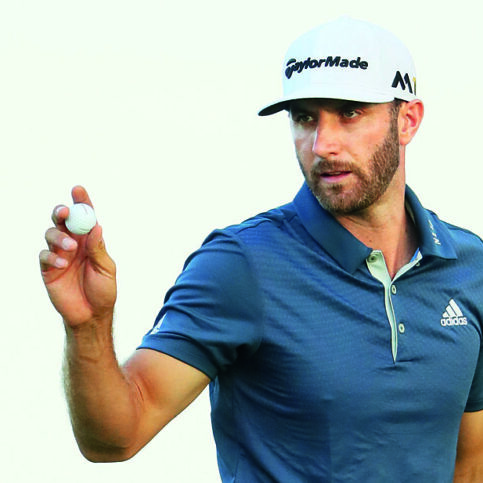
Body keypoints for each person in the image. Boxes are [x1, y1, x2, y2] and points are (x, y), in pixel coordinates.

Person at [39, 16, 483, 482]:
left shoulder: (469, 268)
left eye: (349, 113)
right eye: (305, 117)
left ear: (407, 120)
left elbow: (470, 464)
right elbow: (114, 438)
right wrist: (88, 327)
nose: (322, 144)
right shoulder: (240, 264)